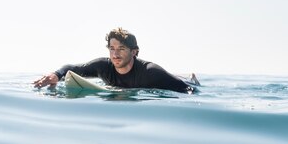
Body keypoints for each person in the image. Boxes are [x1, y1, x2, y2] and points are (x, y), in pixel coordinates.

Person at [33, 27, 199, 94]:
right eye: (112, 48)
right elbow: (72, 68)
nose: (115, 54)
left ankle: (186, 75)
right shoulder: (103, 67)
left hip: (172, 81)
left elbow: (188, 90)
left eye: (121, 49)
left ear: (134, 52)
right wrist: (56, 75)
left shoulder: (151, 73)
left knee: (183, 80)